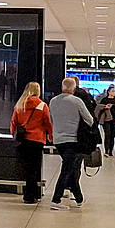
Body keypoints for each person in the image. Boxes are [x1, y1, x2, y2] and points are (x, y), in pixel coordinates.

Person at [48, 78, 97, 209]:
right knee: (66, 170)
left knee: (69, 168)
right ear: (74, 89)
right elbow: (90, 120)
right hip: (73, 140)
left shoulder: (53, 101)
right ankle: (56, 200)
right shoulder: (77, 101)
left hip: (58, 140)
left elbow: (50, 119)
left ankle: (79, 198)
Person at [9, 82, 52, 205]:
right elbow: (48, 123)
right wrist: (50, 135)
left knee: (27, 168)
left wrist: (14, 134)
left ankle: (29, 194)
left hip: (23, 140)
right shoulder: (42, 105)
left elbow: (13, 123)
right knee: (35, 168)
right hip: (37, 140)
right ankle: (31, 195)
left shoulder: (20, 105)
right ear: (37, 91)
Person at [95, 88, 115, 156]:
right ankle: (106, 150)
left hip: (114, 119)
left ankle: (111, 150)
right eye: (112, 91)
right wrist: (105, 107)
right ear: (108, 92)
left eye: (114, 91)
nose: (114, 92)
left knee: (112, 135)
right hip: (106, 119)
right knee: (107, 134)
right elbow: (99, 108)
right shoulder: (104, 100)